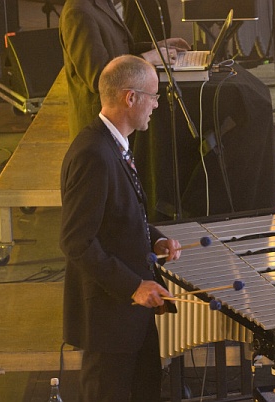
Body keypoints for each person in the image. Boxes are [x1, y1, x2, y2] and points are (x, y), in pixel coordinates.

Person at [59, 54, 183, 401]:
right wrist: (133, 286)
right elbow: (77, 242)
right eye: (154, 97)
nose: (156, 105)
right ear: (131, 98)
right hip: (109, 318)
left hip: (131, 316)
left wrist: (154, 240)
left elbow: (118, 217)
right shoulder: (93, 154)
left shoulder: (114, 144)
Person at [59, 0, 190, 139]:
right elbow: (98, 76)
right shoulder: (78, 12)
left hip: (117, 120)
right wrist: (146, 59)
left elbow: (122, 49)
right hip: (98, 126)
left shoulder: (101, 3)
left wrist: (154, 46)